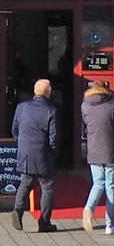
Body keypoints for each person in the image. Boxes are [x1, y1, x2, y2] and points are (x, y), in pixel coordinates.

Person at [10, 79, 59, 233]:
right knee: (47, 187)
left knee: (26, 182)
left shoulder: (21, 107)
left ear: (34, 90)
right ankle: (44, 222)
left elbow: (14, 130)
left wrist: (23, 143)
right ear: (49, 92)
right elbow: (54, 138)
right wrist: (53, 153)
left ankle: (17, 210)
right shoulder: (52, 111)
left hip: (25, 151)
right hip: (43, 152)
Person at [81, 80, 114, 234]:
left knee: (98, 183)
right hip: (111, 150)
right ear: (105, 90)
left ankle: (89, 207)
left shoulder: (85, 106)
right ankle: (110, 224)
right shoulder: (113, 104)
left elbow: (85, 128)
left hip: (94, 149)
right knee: (111, 186)